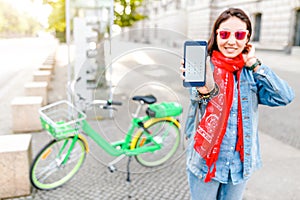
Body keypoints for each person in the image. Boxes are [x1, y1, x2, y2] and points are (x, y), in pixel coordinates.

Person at [180, 8, 294, 200]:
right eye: (224, 34)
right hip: (205, 163)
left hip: (239, 166)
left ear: (247, 39)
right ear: (216, 35)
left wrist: (255, 64)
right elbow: (197, 98)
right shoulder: (206, 66)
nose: (232, 41)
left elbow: (284, 96)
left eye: (239, 35)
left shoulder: (252, 73)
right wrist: (203, 88)